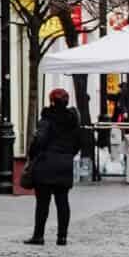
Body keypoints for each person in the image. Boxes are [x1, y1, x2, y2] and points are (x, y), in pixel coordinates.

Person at [26, 87, 86, 246]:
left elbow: (39, 141)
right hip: (64, 163)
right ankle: (62, 237)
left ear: (52, 101)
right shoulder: (73, 121)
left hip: (46, 163)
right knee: (63, 201)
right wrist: (68, 154)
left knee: (42, 203)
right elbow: (78, 143)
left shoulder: (46, 119)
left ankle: (38, 236)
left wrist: (33, 155)